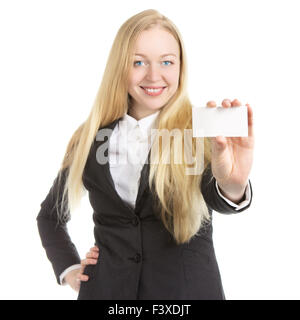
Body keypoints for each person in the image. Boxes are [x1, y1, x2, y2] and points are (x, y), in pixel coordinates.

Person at [37, 9, 254, 300]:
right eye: (138, 62)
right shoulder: (90, 138)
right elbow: (50, 216)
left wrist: (234, 184)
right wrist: (70, 270)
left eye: (167, 62)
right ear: (119, 67)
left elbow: (219, 196)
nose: (154, 75)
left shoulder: (201, 131)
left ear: (181, 67)